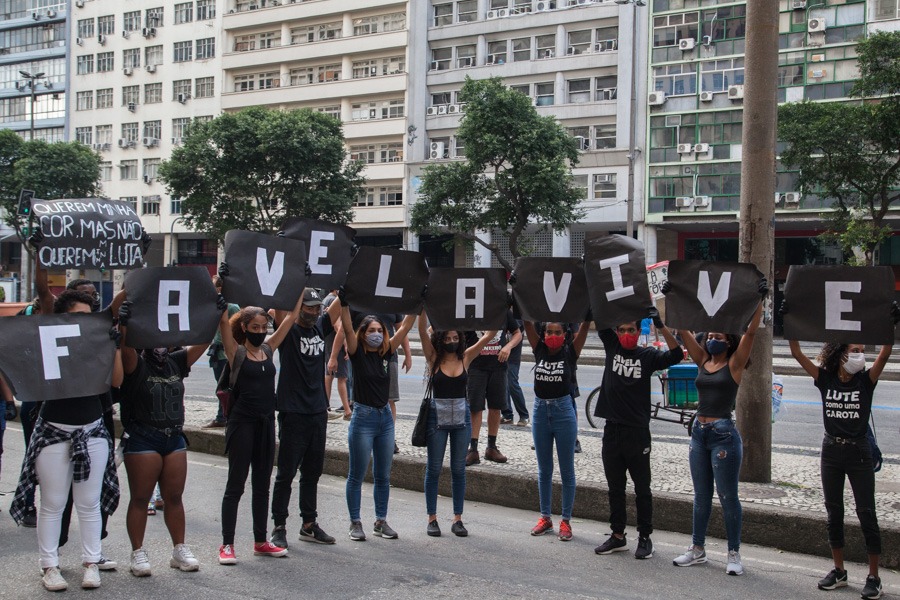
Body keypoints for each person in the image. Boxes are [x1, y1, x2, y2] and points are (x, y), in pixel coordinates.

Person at [10, 284, 123, 591]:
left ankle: (91, 563)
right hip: (53, 431)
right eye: (79, 315)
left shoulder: (100, 343)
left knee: (89, 503)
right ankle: (49, 566)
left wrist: (114, 346)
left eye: (90, 316)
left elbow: (116, 381)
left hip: (93, 430)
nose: (87, 321)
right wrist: (41, 257)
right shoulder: (49, 340)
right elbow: (45, 296)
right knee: (53, 503)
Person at [787, 303, 897, 599]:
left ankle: (874, 576)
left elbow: (885, 352)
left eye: (862, 351)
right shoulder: (825, 379)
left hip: (859, 452)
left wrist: (890, 324)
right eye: (854, 351)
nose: (859, 356)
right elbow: (797, 353)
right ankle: (839, 570)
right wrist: (791, 320)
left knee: (866, 513)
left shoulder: (866, 381)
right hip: (831, 451)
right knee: (834, 512)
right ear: (840, 354)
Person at [116, 294, 224, 577]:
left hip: (173, 438)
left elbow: (203, 341)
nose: (160, 346)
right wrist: (124, 324)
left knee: (174, 497)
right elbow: (125, 349)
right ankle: (138, 553)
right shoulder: (135, 364)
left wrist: (215, 312)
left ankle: (179, 549)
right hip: (142, 437)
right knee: (140, 498)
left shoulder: (177, 362)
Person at [669, 278, 767, 576]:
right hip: (699, 433)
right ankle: (697, 549)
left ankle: (734, 553)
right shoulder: (702, 359)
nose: (713, 340)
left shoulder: (735, 365)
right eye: (710, 335)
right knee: (700, 496)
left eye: (719, 337)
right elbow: (684, 331)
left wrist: (759, 301)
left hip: (724, 436)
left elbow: (750, 332)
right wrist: (673, 296)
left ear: (729, 342)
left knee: (728, 496)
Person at [217, 291, 302, 565]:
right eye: (255, 328)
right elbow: (222, 325)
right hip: (242, 425)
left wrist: (298, 285)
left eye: (263, 327)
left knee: (262, 485)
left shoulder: (268, 349)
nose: (260, 331)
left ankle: (260, 541)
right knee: (235, 485)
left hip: (266, 424)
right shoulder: (237, 354)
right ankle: (227, 545)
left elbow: (291, 318)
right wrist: (222, 295)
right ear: (244, 328)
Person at [593, 308, 683, 559]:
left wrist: (660, 325)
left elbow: (676, 354)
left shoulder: (648, 355)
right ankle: (618, 536)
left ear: (639, 330)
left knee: (642, 489)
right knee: (615, 488)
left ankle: (645, 537)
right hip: (612, 430)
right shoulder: (612, 346)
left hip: (637, 433)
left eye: (630, 329)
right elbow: (599, 315)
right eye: (621, 329)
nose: (625, 334)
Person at [269, 288, 342, 549]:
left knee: (312, 472)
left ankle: (309, 524)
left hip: (317, 411)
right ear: (299, 308)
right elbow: (280, 308)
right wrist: (296, 284)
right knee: (286, 473)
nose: (313, 311)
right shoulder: (288, 331)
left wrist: (347, 284)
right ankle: (279, 525)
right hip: (292, 411)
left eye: (316, 307)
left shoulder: (320, 327)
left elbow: (338, 302)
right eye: (308, 307)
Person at [340, 292, 416, 541]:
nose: (376, 333)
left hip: (384, 419)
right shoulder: (356, 353)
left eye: (379, 330)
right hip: (362, 419)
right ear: (364, 333)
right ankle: (355, 522)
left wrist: (417, 303)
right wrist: (344, 302)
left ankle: (381, 521)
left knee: (383, 475)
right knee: (357, 474)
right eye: (371, 329)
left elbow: (405, 326)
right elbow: (348, 329)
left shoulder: (386, 352)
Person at [418, 312, 496, 537]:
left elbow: (489, 335)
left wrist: (495, 308)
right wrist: (422, 309)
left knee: (458, 470)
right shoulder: (433, 358)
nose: (452, 342)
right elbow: (422, 331)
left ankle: (458, 518)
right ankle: (432, 518)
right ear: (440, 339)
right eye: (447, 338)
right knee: (433, 469)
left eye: (455, 338)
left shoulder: (466, 357)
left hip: (461, 420)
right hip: (436, 419)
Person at [522, 320, 589, 541]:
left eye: (557, 332)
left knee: (567, 470)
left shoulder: (570, 353)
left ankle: (566, 521)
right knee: (544, 469)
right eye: (549, 332)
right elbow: (527, 323)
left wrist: (587, 313)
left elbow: (586, 326)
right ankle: (545, 518)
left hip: (563, 411)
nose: (552, 335)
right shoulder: (539, 349)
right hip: (541, 411)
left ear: (565, 334)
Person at [465, 310, 523, 465]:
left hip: (498, 366)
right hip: (476, 366)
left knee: (496, 407)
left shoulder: (502, 311)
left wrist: (508, 346)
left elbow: (517, 333)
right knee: (475, 408)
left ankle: (491, 447)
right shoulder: (472, 309)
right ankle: (473, 448)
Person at [204, 275, 240, 428]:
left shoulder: (232, 307)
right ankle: (222, 415)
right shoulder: (214, 305)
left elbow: (236, 331)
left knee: (225, 387)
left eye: (214, 287)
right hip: (217, 353)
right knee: (220, 387)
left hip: (225, 354)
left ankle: (223, 416)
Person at [323, 289, 352, 418]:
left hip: (331, 342)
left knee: (330, 374)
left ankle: (326, 406)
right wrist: (345, 342)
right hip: (336, 343)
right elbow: (337, 324)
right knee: (341, 377)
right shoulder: (332, 300)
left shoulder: (327, 299)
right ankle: (347, 410)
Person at [501, 317, 529, 426]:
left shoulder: (514, 316)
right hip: (500, 353)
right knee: (503, 384)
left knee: (512, 383)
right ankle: (507, 414)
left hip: (512, 355)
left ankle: (524, 415)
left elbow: (515, 331)